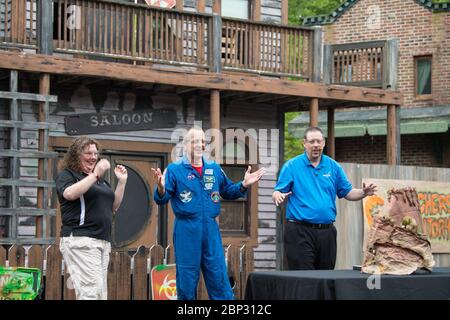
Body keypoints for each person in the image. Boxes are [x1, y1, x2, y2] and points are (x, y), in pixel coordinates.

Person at [152, 127, 265, 300]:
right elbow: (162, 199)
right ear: (186, 145)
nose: (201, 144)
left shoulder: (213, 168)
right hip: (187, 229)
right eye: (196, 141)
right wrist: (160, 187)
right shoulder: (175, 170)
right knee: (187, 280)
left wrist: (244, 184)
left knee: (218, 276)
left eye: (203, 141)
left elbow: (228, 191)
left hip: (211, 229)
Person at [272, 127, 376, 270]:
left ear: (324, 143)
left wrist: (363, 192)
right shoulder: (292, 166)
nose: (316, 145)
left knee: (325, 276)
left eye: (319, 141)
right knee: (304, 277)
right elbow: (278, 191)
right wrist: (277, 195)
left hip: (326, 233)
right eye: (312, 141)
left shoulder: (333, 166)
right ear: (304, 143)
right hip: (299, 231)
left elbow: (348, 192)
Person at [55, 136, 128, 300]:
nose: (93, 157)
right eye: (88, 153)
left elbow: (113, 207)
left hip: (102, 241)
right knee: (90, 294)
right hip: (81, 239)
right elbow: (69, 193)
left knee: (100, 294)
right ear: (76, 155)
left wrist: (122, 182)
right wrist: (95, 175)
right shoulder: (68, 175)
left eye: (96, 153)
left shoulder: (100, 182)